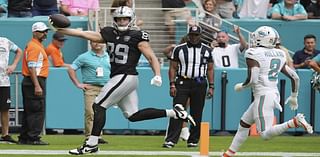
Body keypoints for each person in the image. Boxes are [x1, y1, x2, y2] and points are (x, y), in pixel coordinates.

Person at [50, 6, 195, 155]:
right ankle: (174, 112)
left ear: (130, 19)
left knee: (98, 105)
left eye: (125, 18)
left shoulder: (138, 35)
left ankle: (91, 143)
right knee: (133, 116)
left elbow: (151, 56)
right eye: (119, 19)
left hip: (126, 76)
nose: (122, 21)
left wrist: (157, 74)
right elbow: (86, 35)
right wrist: (60, 30)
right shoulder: (109, 33)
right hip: (120, 77)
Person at [222, 26, 313, 157]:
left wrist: (242, 86)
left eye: (257, 37)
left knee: (265, 134)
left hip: (263, 95)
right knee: (244, 124)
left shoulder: (254, 53)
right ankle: (228, 154)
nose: (254, 39)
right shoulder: (280, 53)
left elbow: (253, 79)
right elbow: (295, 77)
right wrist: (294, 96)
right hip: (273, 93)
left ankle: (294, 122)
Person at [163, 25, 214, 148]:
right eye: (191, 35)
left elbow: (210, 69)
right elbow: (173, 67)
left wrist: (212, 86)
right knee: (178, 110)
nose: (193, 37)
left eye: (196, 35)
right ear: (188, 35)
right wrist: (172, 84)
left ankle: (193, 140)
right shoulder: (179, 49)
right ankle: (171, 140)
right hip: (182, 81)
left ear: (200, 36)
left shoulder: (207, 50)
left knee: (197, 112)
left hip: (200, 82)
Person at [67, 41, 110, 144]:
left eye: (99, 41)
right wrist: (78, 84)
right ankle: (90, 136)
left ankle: (98, 136)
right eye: (94, 41)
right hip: (91, 88)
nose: (97, 44)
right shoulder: (84, 57)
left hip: (106, 88)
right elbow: (71, 69)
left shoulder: (109, 56)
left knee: (100, 113)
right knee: (90, 112)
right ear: (90, 43)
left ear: (103, 43)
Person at [18, 22, 50, 145]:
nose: (45, 33)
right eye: (42, 31)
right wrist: (37, 85)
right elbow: (32, 67)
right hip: (35, 80)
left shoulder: (35, 45)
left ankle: (25, 137)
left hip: (31, 80)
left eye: (46, 31)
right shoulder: (34, 47)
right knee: (37, 110)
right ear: (35, 32)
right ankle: (33, 137)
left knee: (29, 110)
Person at [0, 36, 22, 144]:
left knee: (5, 108)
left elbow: (19, 51)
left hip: (4, 81)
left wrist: (13, 65)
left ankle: (5, 135)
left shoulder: (5, 41)